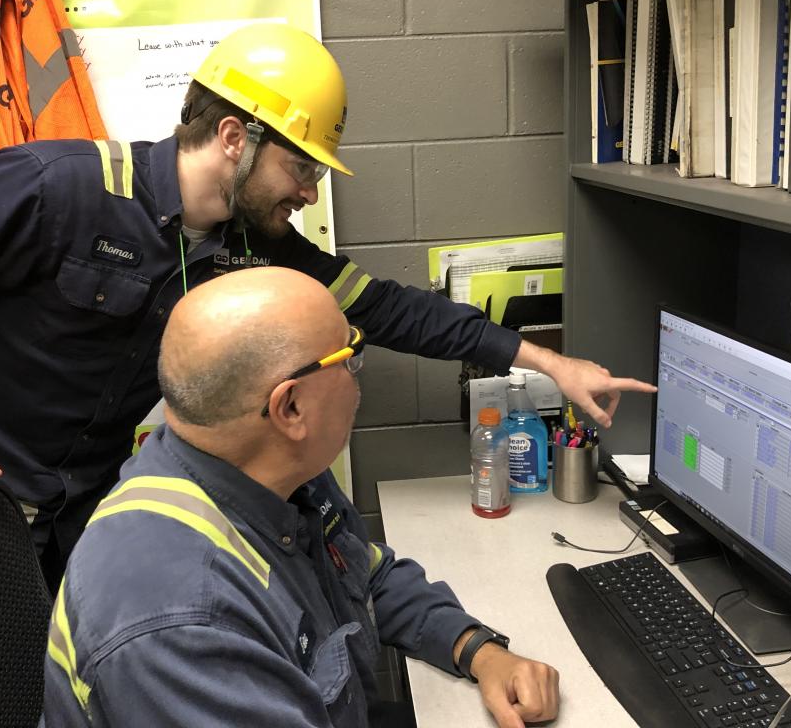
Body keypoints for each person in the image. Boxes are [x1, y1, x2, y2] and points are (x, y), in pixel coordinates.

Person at [0, 21, 655, 588]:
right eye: (301, 167)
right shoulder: (55, 186)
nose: (308, 193)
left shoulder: (254, 245)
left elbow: (389, 309)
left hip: (85, 526)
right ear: (234, 137)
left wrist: (551, 362)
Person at [40, 266, 561, 728]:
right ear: (289, 408)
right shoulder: (178, 619)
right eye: (349, 356)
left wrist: (477, 649)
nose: (359, 374)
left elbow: (366, 572)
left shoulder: (269, 471)